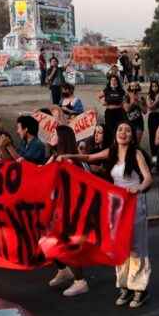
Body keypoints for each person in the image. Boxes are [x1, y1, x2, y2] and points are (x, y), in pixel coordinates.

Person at [61, 123, 153, 308]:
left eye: (127, 130)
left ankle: (140, 289)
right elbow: (88, 157)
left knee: (136, 247)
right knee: (120, 245)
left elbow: (148, 178)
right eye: (120, 129)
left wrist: (139, 188)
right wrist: (68, 156)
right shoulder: (111, 152)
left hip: (134, 204)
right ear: (115, 134)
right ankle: (125, 286)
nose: (123, 133)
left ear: (132, 136)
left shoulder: (136, 154)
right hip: (117, 205)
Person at [44, 125, 93, 296]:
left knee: (68, 244)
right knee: (48, 242)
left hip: (68, 209)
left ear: (62, 138)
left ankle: (80, 281)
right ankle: (63, 270)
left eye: (54, 134)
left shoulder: (69, 161)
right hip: (55, 208)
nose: (50, 135)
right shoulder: (55, 157)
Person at [99, 75, 127, 148]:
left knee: (118, 129)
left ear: (117, 81)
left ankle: (119, 146)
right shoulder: (107, 90)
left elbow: (126, 98)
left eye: (115, 80)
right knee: (109, 130)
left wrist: (122, 103)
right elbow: (99, 96)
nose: (113, 81)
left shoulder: (121, 90)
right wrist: (102, 102)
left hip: (119, 113)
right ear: (110, 81)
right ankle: (111, 147)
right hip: (109, 113)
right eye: (112, 80)